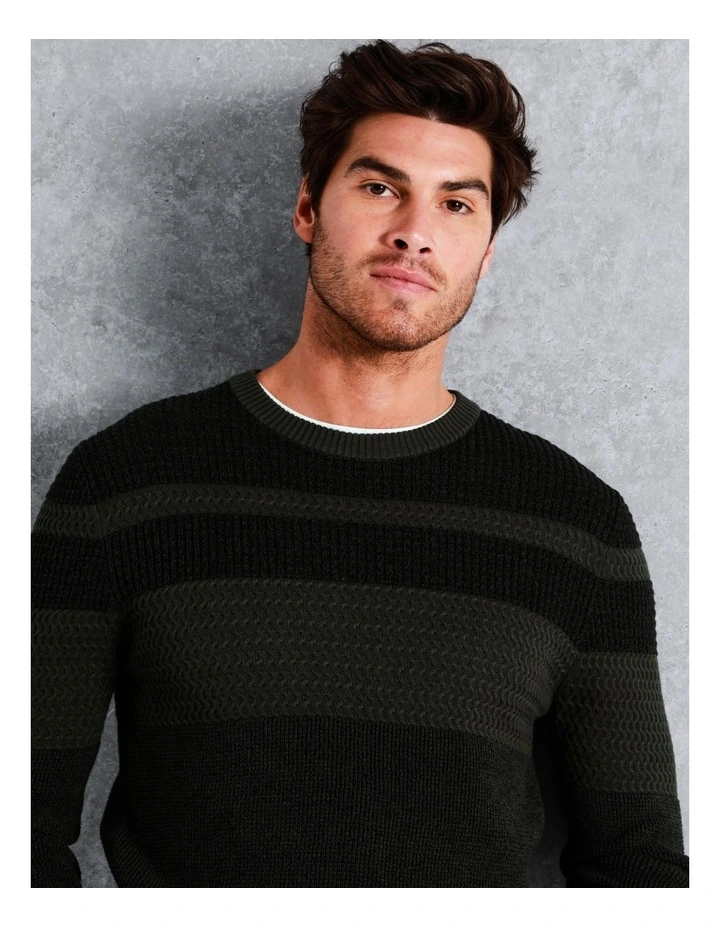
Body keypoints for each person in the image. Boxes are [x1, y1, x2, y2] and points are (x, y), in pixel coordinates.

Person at [31, 39, 689, 888]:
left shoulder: (578, 526)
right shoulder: (123, 484)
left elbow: (639, 870)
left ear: (487, 249)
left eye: (458, 204)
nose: (414, 232)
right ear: (308, 207)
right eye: (380, 188)